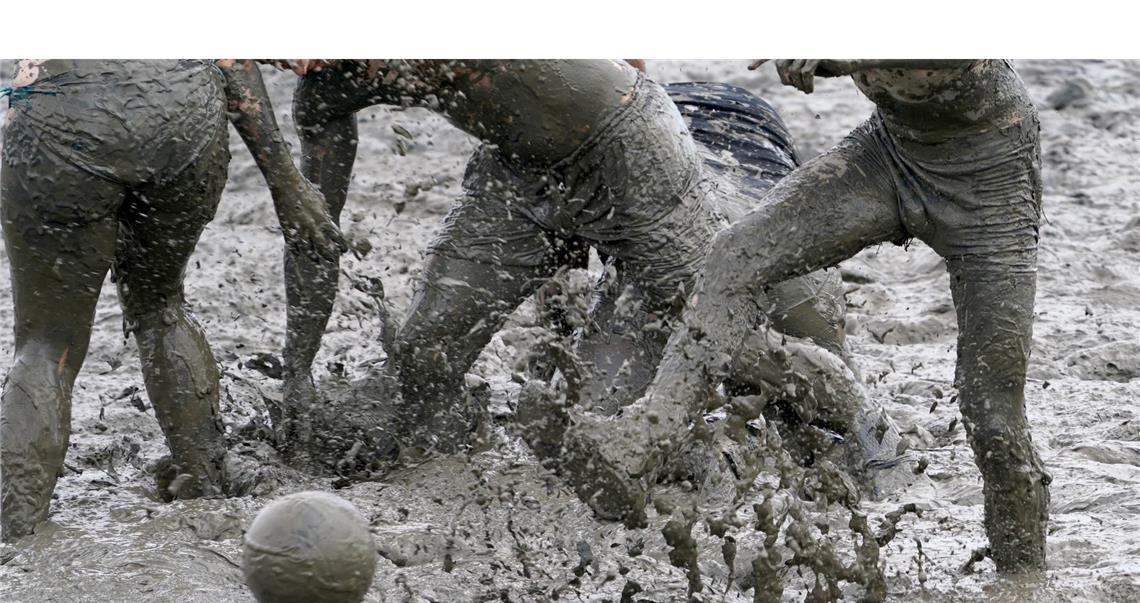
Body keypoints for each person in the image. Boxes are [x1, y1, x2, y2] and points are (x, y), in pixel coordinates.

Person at [283, 59, 892, 475]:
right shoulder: (326, 87)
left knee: (706, 329)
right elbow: (311, 232)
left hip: (624, 145)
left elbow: (625, 63)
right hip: (516, 171)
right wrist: (297, 372)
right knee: (425, 345)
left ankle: (851, 403)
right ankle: (440, 456)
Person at [560, 60, 1049, 572]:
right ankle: (648, 433)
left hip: (992, 174)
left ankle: (1022, 580)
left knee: (991, 411)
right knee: (734, 256)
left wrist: (839, 53)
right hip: (892, 149)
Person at [0, 59, 343, 541]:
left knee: (44, 346)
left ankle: (17, 536)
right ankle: (204, 489)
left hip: (64, 116)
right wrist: (286, 184)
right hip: (185, 117)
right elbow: (233, 60)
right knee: (162, 308)